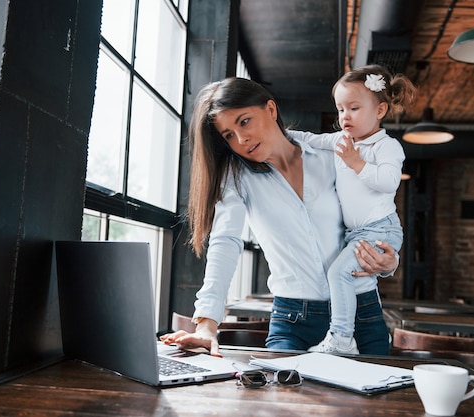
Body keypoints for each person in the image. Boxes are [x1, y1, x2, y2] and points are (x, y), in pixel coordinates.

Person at [160, 77, 398, 357]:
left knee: (373, 401)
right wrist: (206, 325)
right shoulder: (237, 177)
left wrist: (389, 261)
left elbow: (374, 214)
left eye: (244, 121)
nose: (241, 139)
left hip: (362, 311)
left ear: (270, 110)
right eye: (228, 135)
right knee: (283, 399)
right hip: (294, 320)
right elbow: (225, 242)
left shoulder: (332, 155)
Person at [294, 65, 416, 354]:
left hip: (380, 228)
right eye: (340, 109)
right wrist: (278, 132)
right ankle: (347, 334)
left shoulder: (386, 146)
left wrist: (355, 162)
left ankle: (342, 337)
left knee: (338, 274)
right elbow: (310, 139)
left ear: (380, 110)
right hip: (357, 233)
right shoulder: (340, 141)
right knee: (345, 275)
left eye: (354, 108)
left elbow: (388, 182)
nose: (345, 116)